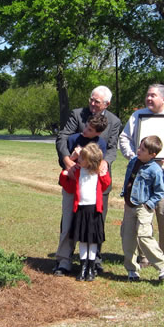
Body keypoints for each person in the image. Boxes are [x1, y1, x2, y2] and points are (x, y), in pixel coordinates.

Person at [119, 84, 164, 265]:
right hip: (141, 176)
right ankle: (144, 256)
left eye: (153, 96)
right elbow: (124, 138)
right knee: (142, 215)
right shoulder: (137, 116)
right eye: (147, 95)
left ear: (163, 99)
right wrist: (132, 156)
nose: (149, 98)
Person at [54, 85, 121, 275]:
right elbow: (62, 138)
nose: (92, 103)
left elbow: (112, 148)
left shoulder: (114, 121)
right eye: (91, 99)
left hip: (96, 184)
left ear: (107, 104)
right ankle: (64, 259)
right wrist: (67, 161)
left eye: (97, 101)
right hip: (74, 178)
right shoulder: (77, 115)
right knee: (68, 220)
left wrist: (105, 163)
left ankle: (94, 261)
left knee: (95, 221)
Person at [120, 136, 164, 282]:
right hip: (129, 206)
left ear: (152, 155)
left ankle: (162, 266)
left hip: (143, 207)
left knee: (144, 236)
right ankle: (132, 270)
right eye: (139, 147)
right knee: (127, 238)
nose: (139, 151)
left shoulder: (155, 170)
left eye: (143, 150)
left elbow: (159, 192)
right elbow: (129, 180)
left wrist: (148, 204)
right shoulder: (133, 162)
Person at [58, 143, 111, 281]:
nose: (78, 160)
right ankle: (82, 268)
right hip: (80, 209)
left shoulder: (98, 173)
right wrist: (65, 174)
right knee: (82, 239)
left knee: (92, 240)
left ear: (91, 161)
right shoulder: (77, 171)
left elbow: (106, 184)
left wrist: (103, 172)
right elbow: (68, 186)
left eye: (82, 158)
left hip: (94, 210)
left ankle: (91, 268)